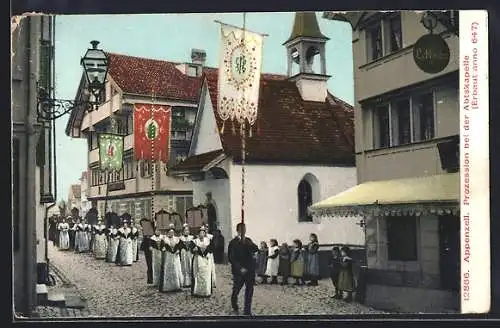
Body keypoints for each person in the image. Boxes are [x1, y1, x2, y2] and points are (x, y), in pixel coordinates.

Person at [228, 222, 259, 315]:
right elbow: (231, 258)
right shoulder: (233, 243)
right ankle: (234, 302)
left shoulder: (248, 241)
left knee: (249, 290)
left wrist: (249, 244)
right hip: (239, 271)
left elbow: (255, 249)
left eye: (244, 230)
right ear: (238, 231)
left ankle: (247, 310)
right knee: (236, 289)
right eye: (241, 230)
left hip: (249, 270)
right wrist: (239, 268)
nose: (243, 232)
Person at [190, 226, 215, 297]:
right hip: (197, 260)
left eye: (203, 233)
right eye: (200, 233)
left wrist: (206, 252)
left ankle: (206, 290)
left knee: (207, 275)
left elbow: (211, 249)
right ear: (198, 234)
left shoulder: (208, 240)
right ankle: (197, 291)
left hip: (206, 260)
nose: (201, 234)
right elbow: (192, 250)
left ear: (204, 234)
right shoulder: (195, 241)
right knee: (197, 274)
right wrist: (195, 250)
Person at [159, 224, 183, 293]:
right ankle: (168, 286)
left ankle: (177, 285)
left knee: (176, 269)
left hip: (175, 256)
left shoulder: (177, 239)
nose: (171, 234)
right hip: (168, 256)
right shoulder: (165, 239)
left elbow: (179, 247)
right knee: (168, 269)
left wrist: (178, 250)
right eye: (170, 232)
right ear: (167, 233)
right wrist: (163, 249)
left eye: (172, 232)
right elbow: (162, 247)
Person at [139, 218, 154, 284]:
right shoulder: (147, 224)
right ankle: (150, 279)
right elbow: (148, 237)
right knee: (150, 263)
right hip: (148, 246)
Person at [179, 224, 194, 288]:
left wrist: (192, 249)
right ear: (183, 231)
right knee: (184, 266)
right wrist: (182, 249)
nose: (186, 231)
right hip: (184, 253)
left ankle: (191, 281)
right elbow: (179, 246)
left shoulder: (192, 238)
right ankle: (185, 282)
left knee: (190, 265)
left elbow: (194, 246)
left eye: (187, 230)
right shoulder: (181, 238)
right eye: (185, 230)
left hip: (190, 253)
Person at [203, 223, 217, 289]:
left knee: (211, 267)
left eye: (207, 228)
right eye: (204, 228)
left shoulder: (210, 236)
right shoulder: (200, 237)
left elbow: (213, 246)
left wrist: (209, 251)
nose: (205, 229)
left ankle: (212, 282)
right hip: (203, 255)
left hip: (209, 254)